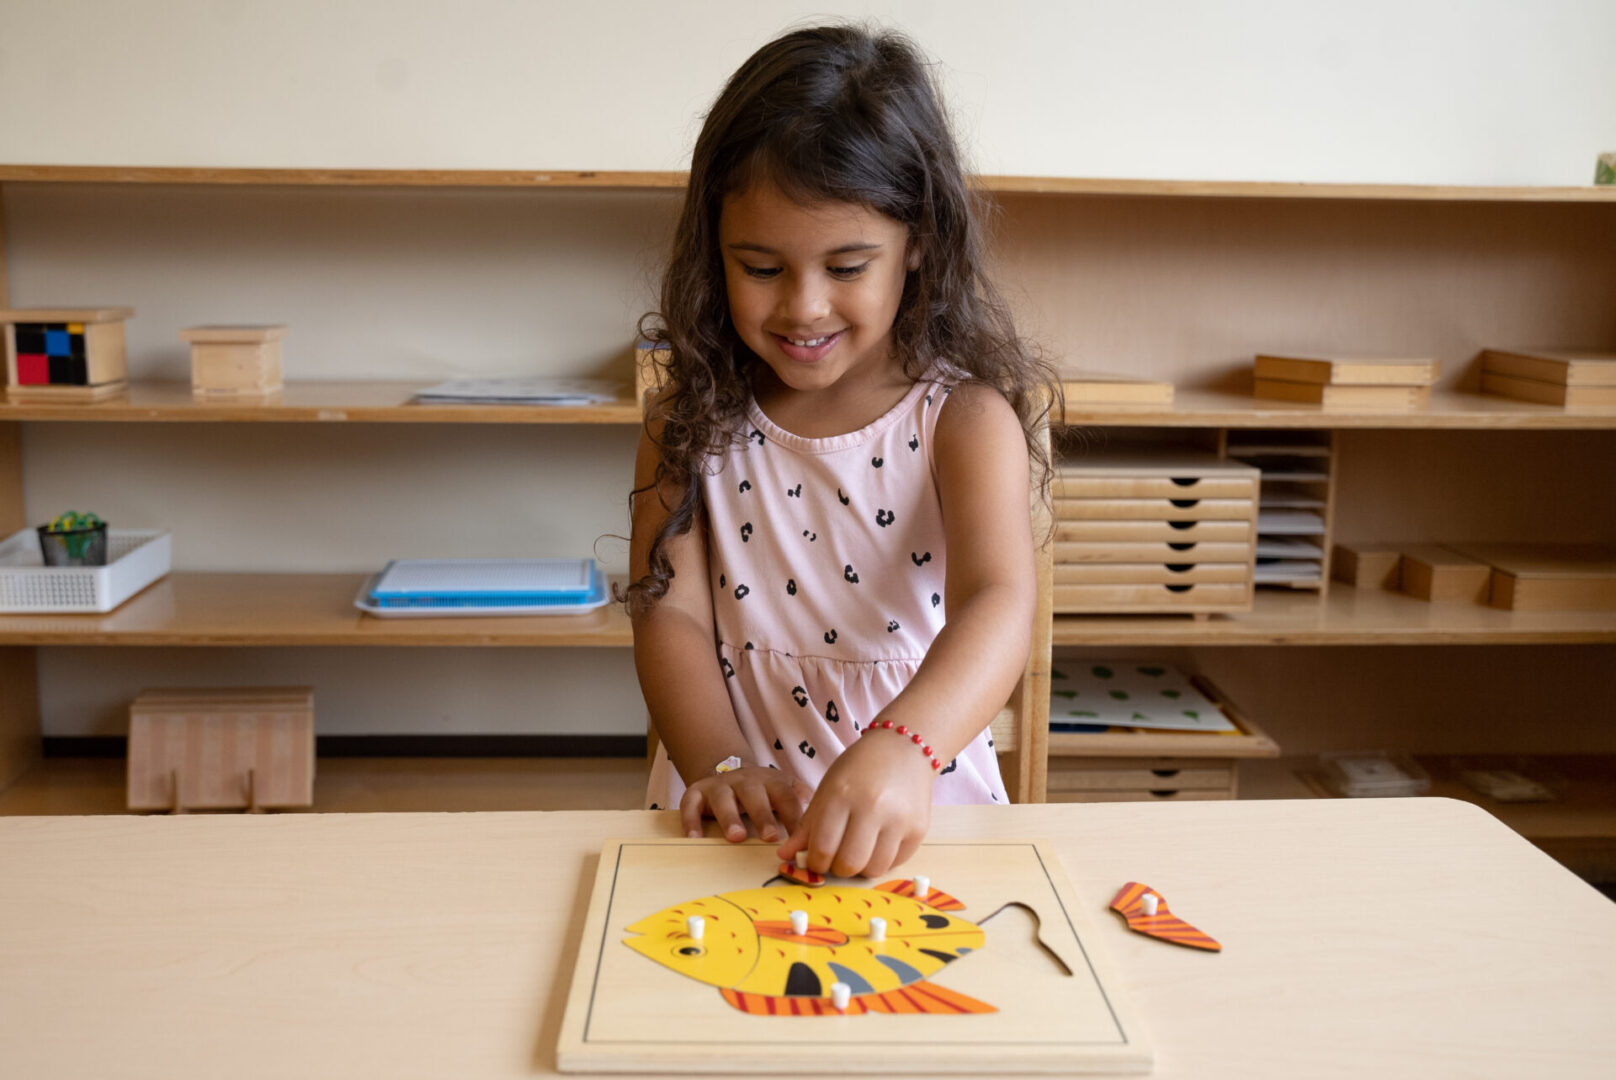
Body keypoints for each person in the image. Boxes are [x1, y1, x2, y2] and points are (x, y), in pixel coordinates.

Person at [623, 23, 1057, 878]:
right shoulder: (688, 418)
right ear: (715, 247)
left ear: (920, 243)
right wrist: (720, 764)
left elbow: (998, 603)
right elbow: (668, 611)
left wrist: (904, 744)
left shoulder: (961, 421)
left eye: (848, 266)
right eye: (761, 267)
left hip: (923, 813)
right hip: (732, 822)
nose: (804, 307)